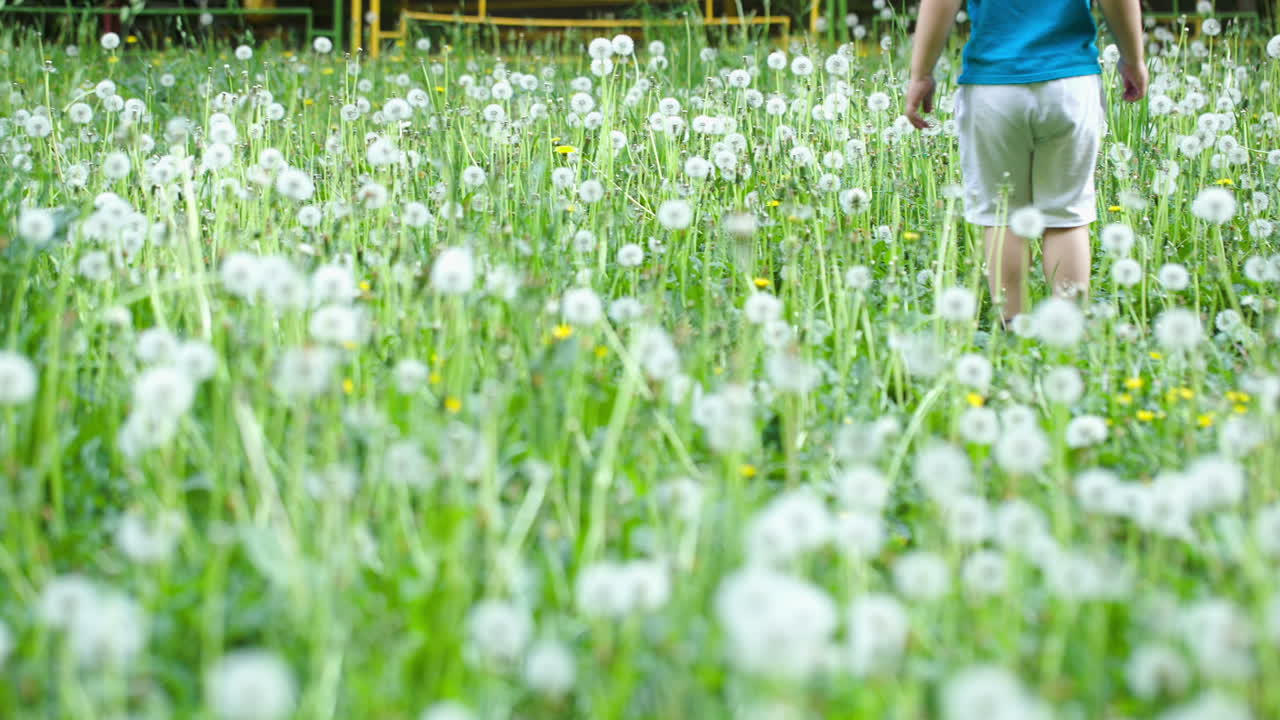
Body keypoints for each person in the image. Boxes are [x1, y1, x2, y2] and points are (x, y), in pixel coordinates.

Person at [905, 0, 1148, 323]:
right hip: (1070, 84)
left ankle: (1012, 335)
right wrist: (1134, 59)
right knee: (1067, 216)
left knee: (1002, 216)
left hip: (993, 86)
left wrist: (921, 73)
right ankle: (1069, 338)